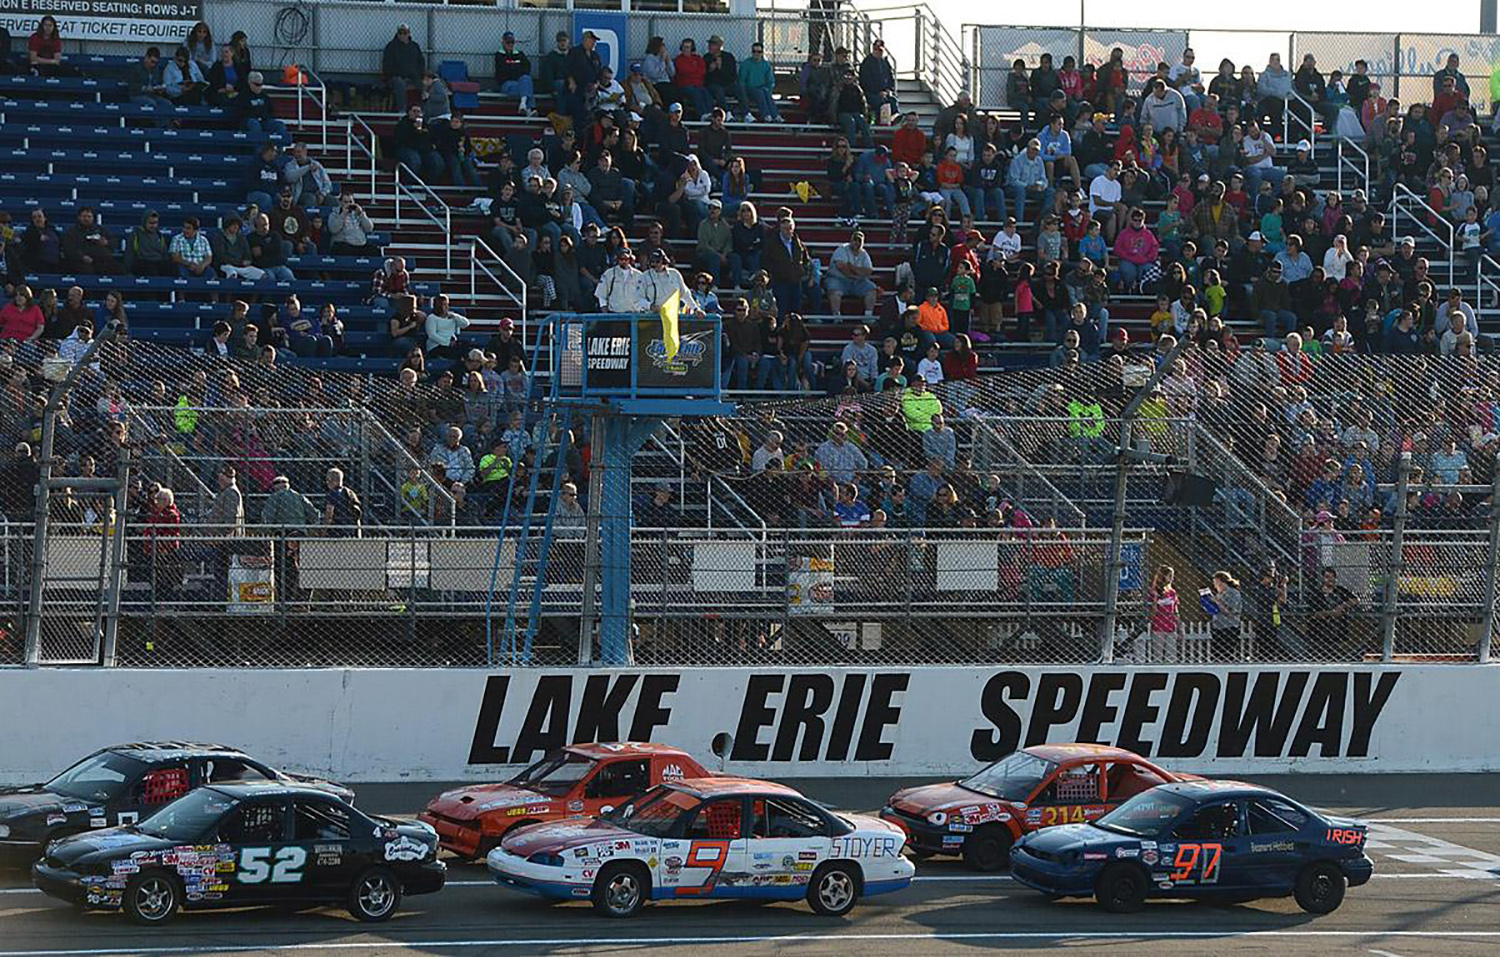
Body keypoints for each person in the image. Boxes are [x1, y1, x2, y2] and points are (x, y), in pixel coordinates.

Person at [825, 230, 876, 315]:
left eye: (859, 241)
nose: (856, 243)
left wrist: (853, 268)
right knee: (834, 290)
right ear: (851, 240)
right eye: (855, 240)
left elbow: (868, 270)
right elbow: (841, 266)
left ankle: (868, 315)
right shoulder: (842, 249)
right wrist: (856, 272)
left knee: (872, 289)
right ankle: (836, 315)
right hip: (838, 279)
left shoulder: (864, 254)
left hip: (857, 281)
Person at [61, 207, 122, 275]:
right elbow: (69, 248)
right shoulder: (72, 231)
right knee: (86, 270)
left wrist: (106, 242)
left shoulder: (100, 229)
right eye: (84, 216)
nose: (86, 219)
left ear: (93, 218)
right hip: (81, 261)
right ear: (79, 217)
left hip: (102, 260)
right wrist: (82, 257)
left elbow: (114, 241)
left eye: (89, 216)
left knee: (119, 269)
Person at [1139, 564, 1180, 663]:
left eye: (1172, 576)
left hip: (1171, 625)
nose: (1171, 578)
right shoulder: (1154, 592)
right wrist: (1155, 599)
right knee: (1158, 654)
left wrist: (1179, 625)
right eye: (1169, 576)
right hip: (1159, 625)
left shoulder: (1172, 592)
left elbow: (1175, 610)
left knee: (1171, 655)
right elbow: (1153, 612)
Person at [394, 103, 443, 182]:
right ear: (409, 112)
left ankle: (430, 185)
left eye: (418, 112)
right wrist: (414, 130)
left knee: (437, 160)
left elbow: (432, 137)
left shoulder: (425, 124)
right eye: (414, 111)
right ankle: (410, 184)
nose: (416, 114)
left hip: (424, 150)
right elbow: (401, 140)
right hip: (407, 148)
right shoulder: (402, 124)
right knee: (414, 159)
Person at [382, 24, 425, 110]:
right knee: (400, 84)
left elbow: (421, 62)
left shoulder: (415, 46)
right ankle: (402, 111)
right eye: (400, 33)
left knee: (425, 85)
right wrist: (395, 75)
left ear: (409, 33)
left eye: (405, 33)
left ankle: (423, 110)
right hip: (396, 77)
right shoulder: (391, 46)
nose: (402, 35)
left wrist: (420, 75)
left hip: (414, 77)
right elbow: (387, 65)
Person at [494, 31, 535, 116]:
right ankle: (529, 108)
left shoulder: (520, 54)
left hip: (520, 82)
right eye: (508, 42)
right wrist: (517, 69)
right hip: (507, 84)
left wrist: (513, 68)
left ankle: (523, 105)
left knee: (526, 78)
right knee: (526, 89)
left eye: (512, 42)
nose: (510, 44)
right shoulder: (499, 55)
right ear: (503, 42)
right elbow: (503, 71)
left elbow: (527, 68)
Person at [1206, 570, 1243, 662]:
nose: (1215, 586)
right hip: (1218, 626)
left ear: (1222, 582)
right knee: (1216, 655)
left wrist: (1217, 602)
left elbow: (1230, 613)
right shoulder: (1220, 594)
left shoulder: (1232, 593)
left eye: (1216, 583)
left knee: (1227, 654)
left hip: (1229, 627)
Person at [740, 41, 781, 122]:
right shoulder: (746, 63)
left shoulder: (766, 65)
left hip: (762, 89)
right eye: (754, 51)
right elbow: (742, 80)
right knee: (760, 92)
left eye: (759, 51)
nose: (756, 53)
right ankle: (766, 115)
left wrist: (769, 89)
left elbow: (770, 81)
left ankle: (776, 115)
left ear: (762, 53)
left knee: (765, 91)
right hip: (750, 89)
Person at [859, 39, 897, 125]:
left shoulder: (885, 62)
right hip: (871, 92)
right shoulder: (867, 62)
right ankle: (880, 121)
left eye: (880, 50)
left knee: (893, 101)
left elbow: (890, 78)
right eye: (875, 49)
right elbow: (865, 81)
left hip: (884, 92)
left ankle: (893, 118)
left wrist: (889, 89)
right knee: (879, 102)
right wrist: (877, 92)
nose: (878, 52)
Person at [424, 294, 471, 360]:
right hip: (436, 346)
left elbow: (466, 324)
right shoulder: (431, 318)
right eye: (444, 304)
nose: (447, 307)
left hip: (452, 343)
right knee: (453, 353)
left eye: (447, 304)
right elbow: (432, 335)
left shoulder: (452, 316)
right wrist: (447, 342)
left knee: (466, 344)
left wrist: (455, 316)